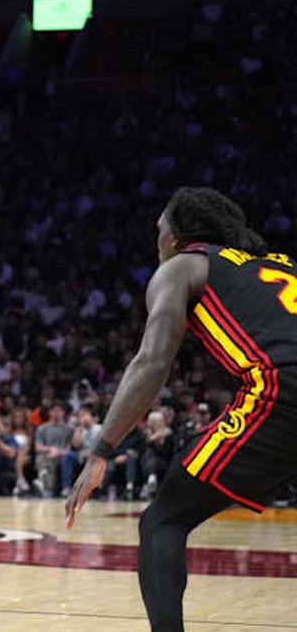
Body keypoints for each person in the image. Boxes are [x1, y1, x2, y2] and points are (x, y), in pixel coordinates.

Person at [66, 188, 297, 631]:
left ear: (177, 236)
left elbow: (151, 362)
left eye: (159, 231)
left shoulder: (183, 266)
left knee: (164, 519)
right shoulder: (278, 265)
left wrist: (101, 451)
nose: (157, 241)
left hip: (281, 390)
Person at [34, 403, 73, 497]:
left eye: (59, 410)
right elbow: (38, 447)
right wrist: (50, 449)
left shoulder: (69, 429)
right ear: (49, 412)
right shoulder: (42, 428)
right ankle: (45, 485)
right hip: (46, 454)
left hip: (62, 455)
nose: (56, 413)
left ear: (63, 413)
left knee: (59, 460)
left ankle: (43, 483)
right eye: (54, 410)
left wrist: (58, 452)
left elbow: (69, 449)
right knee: (43, 458)